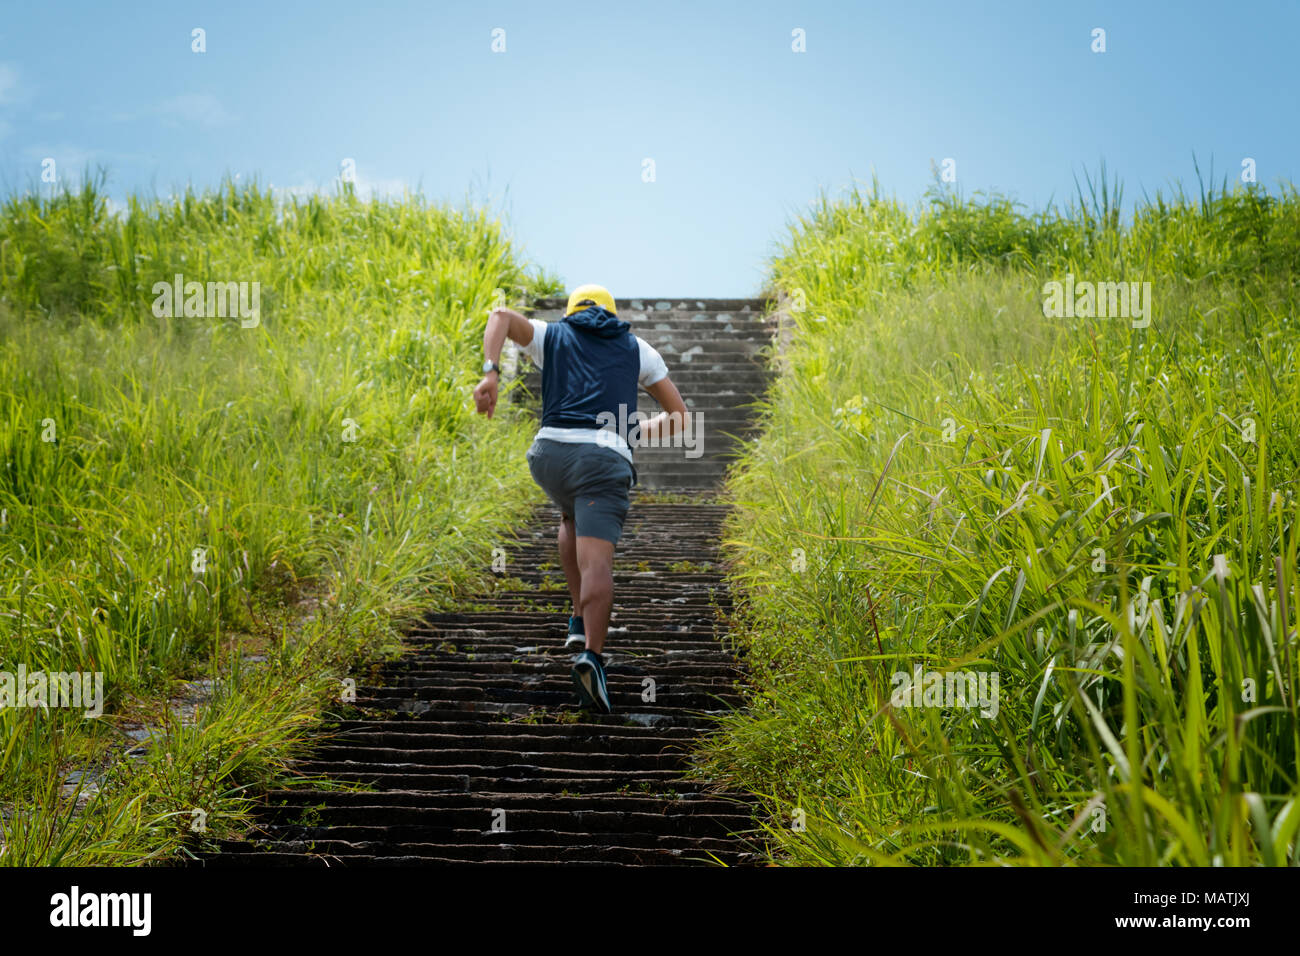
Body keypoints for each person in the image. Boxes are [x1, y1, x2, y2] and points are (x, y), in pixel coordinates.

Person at [472, 284, 688, 713]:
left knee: (571, 516)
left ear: (573, 313)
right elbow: (680, 417)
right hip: (603, 462)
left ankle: (576, 615)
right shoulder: (638, 348)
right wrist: (633, 433)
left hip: (550, 455)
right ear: (611, 314)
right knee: (598, 562)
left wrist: (491, 372)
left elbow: (499, 316)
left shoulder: (550, 335)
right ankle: (591, 654)